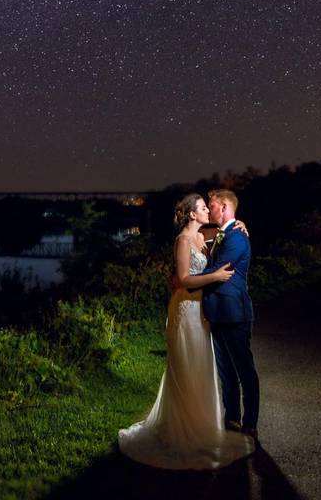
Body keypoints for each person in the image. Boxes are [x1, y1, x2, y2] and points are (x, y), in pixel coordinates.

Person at [118, 193, 255, 469]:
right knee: (186, 366)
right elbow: (182, 279)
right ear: (192, 214)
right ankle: (182, 428)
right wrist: (215, 276)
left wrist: (239, 222)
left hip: (202, 313)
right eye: (204, 207)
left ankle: (203, 424)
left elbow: (225, 230)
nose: (208, 210)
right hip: (185, 310)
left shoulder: (207, 235)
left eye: (209, 206)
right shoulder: (183, 240)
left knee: (202, 368)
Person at [200, 188, 260, 440]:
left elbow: (215, 269)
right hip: (217, 313)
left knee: (244, 370)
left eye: (211, 205)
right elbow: (209, 242)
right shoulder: (223, 234)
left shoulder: (236, 238)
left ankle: (250, 423)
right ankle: (231, 416)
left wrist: (184, 279)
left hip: (235, 313)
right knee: (226, 371)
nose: (209, 209)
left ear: (223, 207)